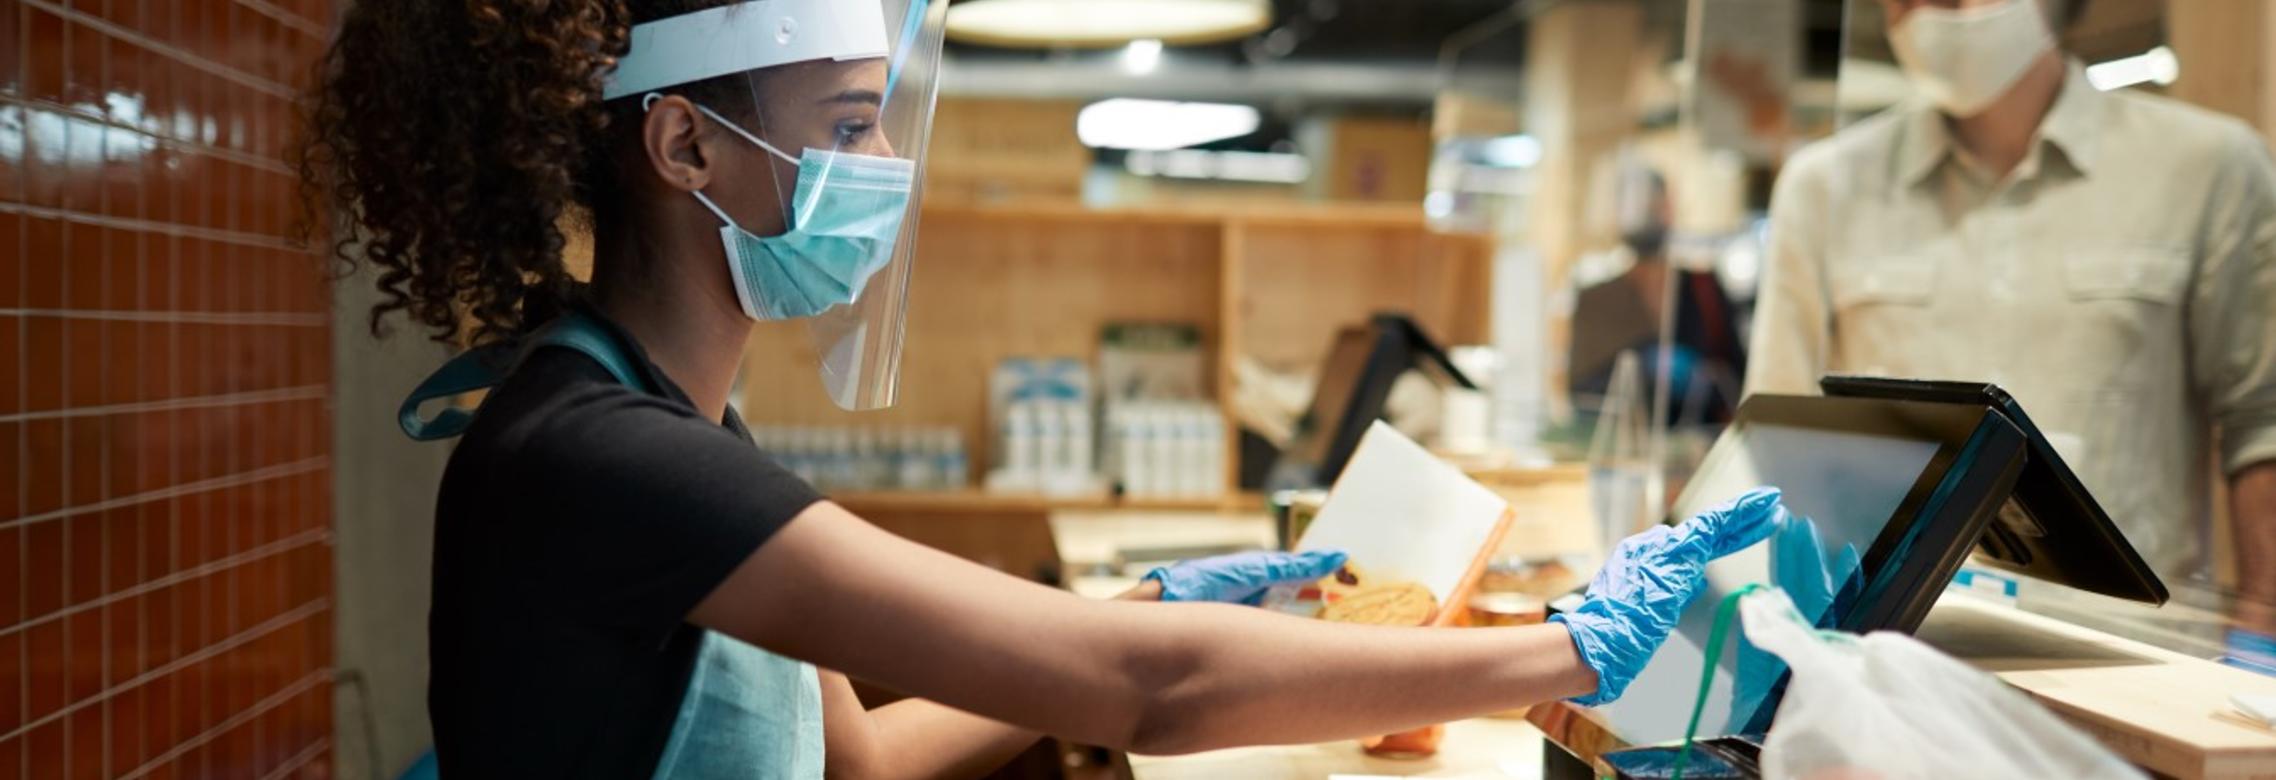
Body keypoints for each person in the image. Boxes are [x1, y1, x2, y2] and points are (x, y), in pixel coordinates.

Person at [297, 1, 1791, 777]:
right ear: (685, 150)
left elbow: (863, 761)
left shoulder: (673, 414)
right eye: (849, 127)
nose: (882, 176)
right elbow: (1152, 702)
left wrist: (1149, 609)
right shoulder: (600, 453)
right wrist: (1568, 653)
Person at [1747, 0, 2276, 612]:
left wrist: (2261, 647)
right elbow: (1775, 444)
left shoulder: (2208, 169)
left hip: (2126, 660)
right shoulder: (1822, 189)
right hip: (1889, 656)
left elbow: (2261, 422)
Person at [1569, 168, 1748, 426]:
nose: (1652, 213)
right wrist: (1643, 371)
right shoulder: (1596, 299)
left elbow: (1737, 377)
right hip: (1623, 448)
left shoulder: (1704, 288)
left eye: (1658, 204)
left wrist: (1702, 382)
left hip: (1699, 446)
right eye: (1642, 205)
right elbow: (1580, 393)